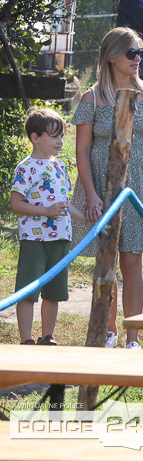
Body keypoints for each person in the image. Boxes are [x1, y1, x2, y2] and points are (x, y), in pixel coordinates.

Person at [71, 28, 143, 348]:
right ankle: (108, 329)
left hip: (138, 183)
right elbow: (81, 151)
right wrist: (91, 193)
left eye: (140, 51)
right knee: (106, 259)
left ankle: (133, 337)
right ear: (112, 56)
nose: (138, 57)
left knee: (132, 262)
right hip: (101, 182)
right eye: (131, 52)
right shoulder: (93, 97)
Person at [12, 109, 84, 345]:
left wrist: (87, 218)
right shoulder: (26, 168)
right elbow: (16, 203)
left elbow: (64, 205)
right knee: (28, 291)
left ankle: (47, 336)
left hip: (61, 238)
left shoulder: (61, 166)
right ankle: (27, 340)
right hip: (34, 240)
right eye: (54, 137)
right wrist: (46, 211)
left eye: (61, 136)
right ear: (35, 137)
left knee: (54, 292)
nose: (60, 142)